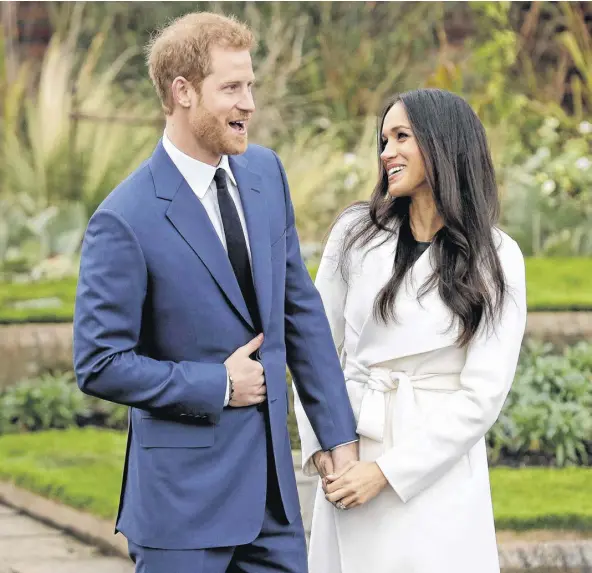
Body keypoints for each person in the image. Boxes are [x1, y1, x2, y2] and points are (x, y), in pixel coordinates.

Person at [73, 12, 358, 573]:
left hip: (274, 506)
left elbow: (299, 312)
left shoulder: (266, 174)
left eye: (249, 85)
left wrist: (337, 434)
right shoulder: (124, 218)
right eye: (231, 88)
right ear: (183, 92)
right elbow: (99, 362)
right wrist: (218, 384)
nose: (248, 103)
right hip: (181, 513)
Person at [293, 88, 527, 573]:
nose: (386, 153)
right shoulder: (355, 233)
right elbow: (313, 348)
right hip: (350, 449)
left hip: (433, 472)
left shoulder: (497, 257)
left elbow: (481, 396)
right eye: (383, 140)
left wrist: (386, 473)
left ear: (443, 145)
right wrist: (324, 450)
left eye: (402, 137)